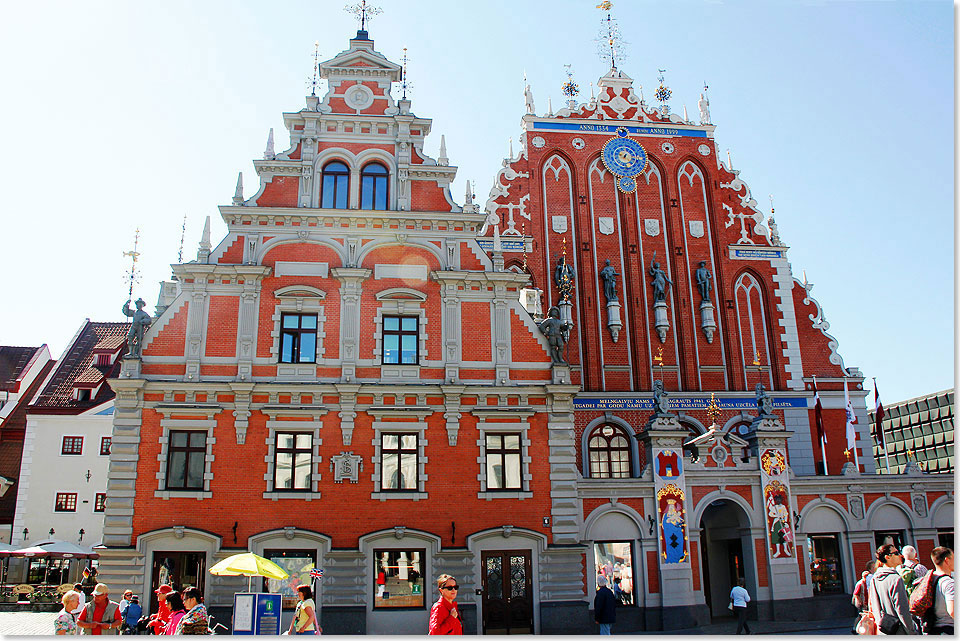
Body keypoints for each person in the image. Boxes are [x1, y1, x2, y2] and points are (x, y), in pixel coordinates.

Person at [868, 544, 918, 635]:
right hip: (899, 631)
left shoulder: (875, 579)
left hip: (883, 630)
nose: (900, 555)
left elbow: (873, 606)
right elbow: (902, 610)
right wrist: (911, 632)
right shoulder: (895, 579)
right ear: (888, 557)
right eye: (896, 553)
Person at [927, 546, 954, 635]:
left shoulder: (930, 579)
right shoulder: (949, 583)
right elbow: (953, 611)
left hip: (932, 629)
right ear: (947, 560)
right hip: (949, 629)